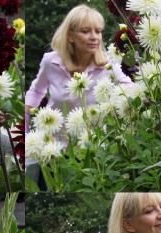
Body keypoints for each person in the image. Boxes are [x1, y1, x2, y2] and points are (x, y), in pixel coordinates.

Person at [25, 4, 132, 141]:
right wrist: (25, 133)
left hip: (95, 145)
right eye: (86, 31)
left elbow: (129, 88)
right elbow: (35, 92)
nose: (94, 37)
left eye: (98, 31)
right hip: (54, 145)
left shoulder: (108, 66)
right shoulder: (50, 61)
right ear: (70, 36)